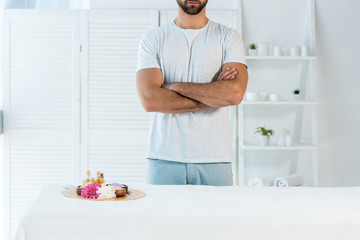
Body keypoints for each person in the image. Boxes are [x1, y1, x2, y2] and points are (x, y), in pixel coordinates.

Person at [136, 0, 248, 186]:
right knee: (163, 216)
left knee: (215, 216)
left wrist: (175, 87)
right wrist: (215, 97)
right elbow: (150, 100)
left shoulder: (228, 37)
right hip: (164, 157)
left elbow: (234, 94)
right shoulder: (154, 38)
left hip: (215, 158)